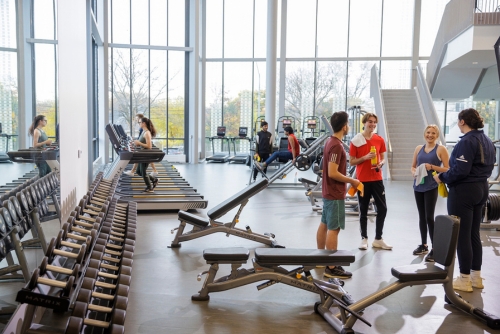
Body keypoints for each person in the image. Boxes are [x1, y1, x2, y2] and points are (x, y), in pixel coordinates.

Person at [434, 108, 495, 292]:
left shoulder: (467, 141)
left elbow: (460, 171)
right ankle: (476, 277)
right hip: (482, 188)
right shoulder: (487, 140)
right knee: (474, 234)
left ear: (462, 122)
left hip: (465, 191)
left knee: (462, 235)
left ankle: (464, 279)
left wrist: (442, 178)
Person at [317, 111, 360, 278]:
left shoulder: (330, 142)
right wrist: (353, 181)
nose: (348, 126)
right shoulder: (336, 145)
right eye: (348, 123)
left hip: (329, 192)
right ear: (344, 126)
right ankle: (332, 267)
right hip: (334, 193)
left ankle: (320, 259)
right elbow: (332, 172)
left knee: (324, 225)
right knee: (333, 229)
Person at [349, 113, 391, 250]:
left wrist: (381, 163)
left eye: (374, 122)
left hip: (377, 179)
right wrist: (365, 157)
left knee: (383, 209)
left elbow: (383, 158)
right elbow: (352, 161)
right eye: (369, 122)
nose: (372, 125)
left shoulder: (379, 140)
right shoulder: (356, 141)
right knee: (363, 210)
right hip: (363, 180)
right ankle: (364, 238)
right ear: (364, 123)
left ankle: (378, 238)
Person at [411, 125, 450, 262]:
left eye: (433, 133)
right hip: (418, 186)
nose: (430, 135)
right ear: (424, 134)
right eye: (428, 132)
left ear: (437, 135)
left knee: (429, 216)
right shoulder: (418, 148)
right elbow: (413, 166)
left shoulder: (441, 149)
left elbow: (447, 168)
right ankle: (424, 245)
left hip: (431, 186)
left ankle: (435, 248)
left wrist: (432, 167)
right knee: (422, 216)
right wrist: (413, 172)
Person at [135, 117, 160, 193]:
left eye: (140, 122)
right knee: (139, 172)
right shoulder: (143, 131)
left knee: (143, 172)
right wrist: (137, 143)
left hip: (146, 156)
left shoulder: (147, 133)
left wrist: (139, 143)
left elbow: (149, 146)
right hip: (142, 154)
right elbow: (142, 143)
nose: (139, 124)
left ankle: (150, 188)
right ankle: (154, 179)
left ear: (144, 123)